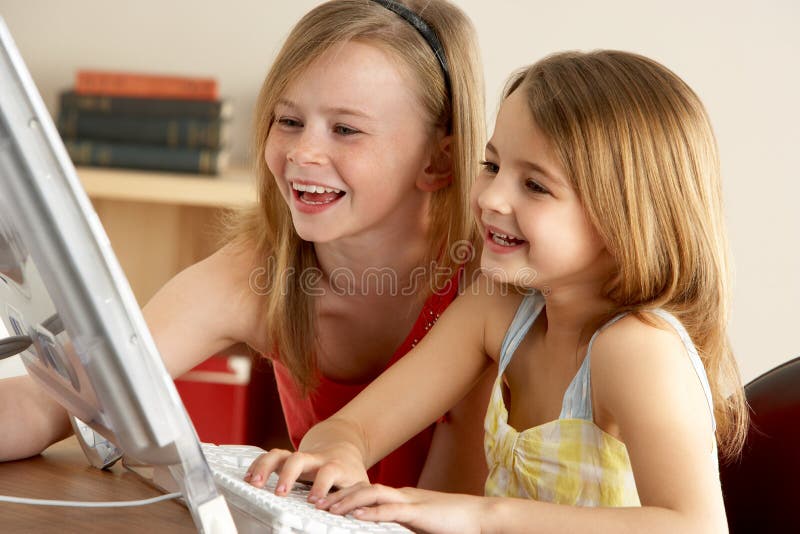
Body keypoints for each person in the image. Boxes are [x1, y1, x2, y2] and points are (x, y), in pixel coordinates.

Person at [0, 0, 493, 494]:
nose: (302, 152)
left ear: (437, 160)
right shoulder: (258, 274)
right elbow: (63, 396)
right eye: (289, 120)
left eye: (345, 129)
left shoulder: (492, 277)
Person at [246, 50, 750, 533]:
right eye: (492, 166)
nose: (490, 197)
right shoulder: (499, 310)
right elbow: (355, 427)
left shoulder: (638, 348)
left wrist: (483, 517)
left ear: (625, 217)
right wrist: (336, 453)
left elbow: (697, 525)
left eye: (534, 186)